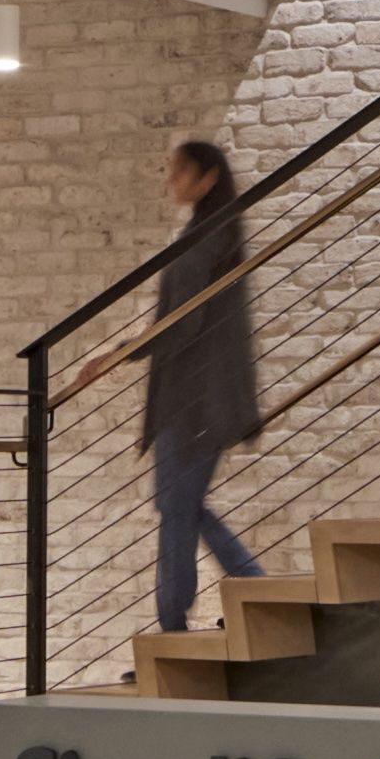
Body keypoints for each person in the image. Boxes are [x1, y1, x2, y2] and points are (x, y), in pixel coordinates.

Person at [141, 138, 264, 637]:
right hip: (198, 399)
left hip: (194, 402)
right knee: (178, 505)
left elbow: (181, 325)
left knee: (176, 509)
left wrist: (118, 352)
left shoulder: (205, 240)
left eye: (177, 170)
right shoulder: (215, 235)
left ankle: (175, 627)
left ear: (206, 178)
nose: (169, 179)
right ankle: (250, 585)